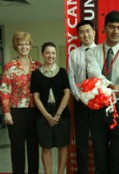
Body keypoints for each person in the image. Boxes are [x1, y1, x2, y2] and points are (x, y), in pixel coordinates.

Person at [86, 10, 119, 174]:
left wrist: (111, 87)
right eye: (112, 27)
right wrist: (112, 86)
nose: (116, 31)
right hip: (97, 107)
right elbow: (94, 74)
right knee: (99, 155)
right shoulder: (92, 53)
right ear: (104, 29)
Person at [0, 31, 41, 174]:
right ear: (16, 46)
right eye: (20, 44)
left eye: (26, 44)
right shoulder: (9, 66)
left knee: (33, 147)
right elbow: (4, 90)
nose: (24, 47)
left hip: (34, 110)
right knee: (17, 147)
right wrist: (6, 113)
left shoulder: (37, 65)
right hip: (15, 111)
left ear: (30, 45)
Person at [30, 42, 71, 174]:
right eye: (47, 53)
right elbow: (35, 97)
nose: (50, 55)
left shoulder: (62, 72)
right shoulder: (36, 74)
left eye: (53, 53)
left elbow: (67, 94)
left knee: (62, 146)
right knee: (46, 147)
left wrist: (58, 114)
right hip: (42, 113)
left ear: (55, 54)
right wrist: (47, 116)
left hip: (62, 113)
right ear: (42, 54)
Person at [67, 20, 96, 174]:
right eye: (82, 32)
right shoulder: (74, 53)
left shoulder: (101, 51)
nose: (85, 34)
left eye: (88, 31)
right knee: (81, 141)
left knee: (100, 140)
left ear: (94, 32)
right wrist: (79, 97)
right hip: (80, 103)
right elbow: (71, 78)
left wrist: (97, 97)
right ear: (78, 35)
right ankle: (82, 171)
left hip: (99, 102)